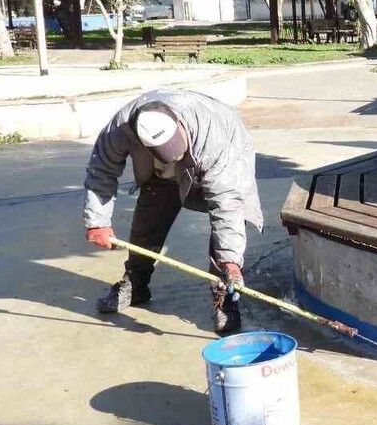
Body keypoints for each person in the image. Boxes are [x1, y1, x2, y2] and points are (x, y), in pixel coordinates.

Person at [83, 89, 263, 333]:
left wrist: (230, 261)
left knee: (227, 224)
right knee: (149, 214)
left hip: (222, 155)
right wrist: (97, 221)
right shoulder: (121, 127)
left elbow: (226, 205)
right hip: (160, 170)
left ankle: (225, 296)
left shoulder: (215, 136)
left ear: (180, 125)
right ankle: (136, 283)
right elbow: (102, 169)